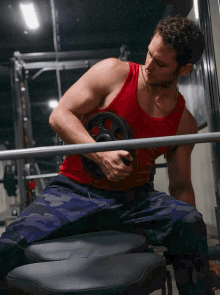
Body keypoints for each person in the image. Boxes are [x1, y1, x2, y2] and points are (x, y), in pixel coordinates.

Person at [0, 15, 219, 294]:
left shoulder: (182, 122)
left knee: (188, 223)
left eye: (161, 63)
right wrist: (101, 155)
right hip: (74, 192)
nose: (148, 65)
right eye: (149, 54)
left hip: (135, 200)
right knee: (8, 246)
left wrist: (201, 254)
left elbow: (180, 186)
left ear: (185, 69)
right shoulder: (114, 73)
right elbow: (60, 115)